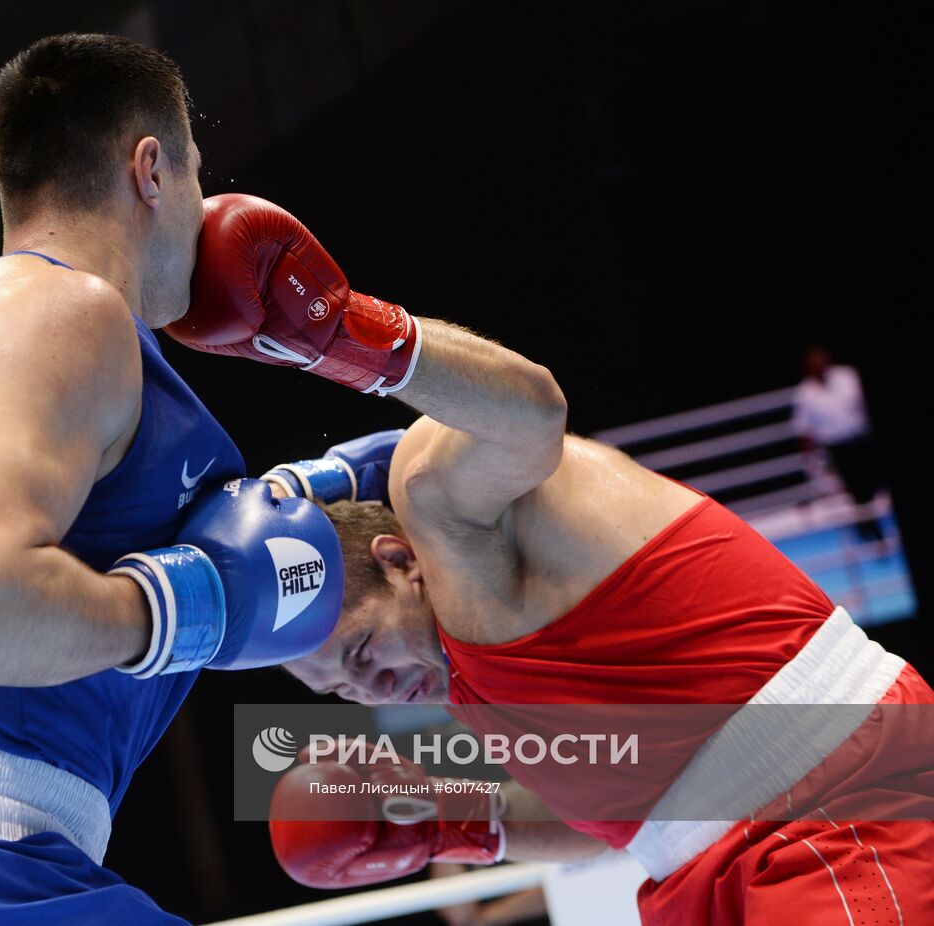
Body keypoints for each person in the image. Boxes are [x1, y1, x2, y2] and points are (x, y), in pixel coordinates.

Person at [169, 193, 934, 925]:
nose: (368, 684)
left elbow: (529, 411)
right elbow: (630, 822)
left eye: (360, 647)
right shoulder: (486, 694)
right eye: (340, 686)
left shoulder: (445, 511)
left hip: (836, 809)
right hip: (721, 862)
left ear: (401, 561)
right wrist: (450, 819)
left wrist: (339, 334)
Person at [0, 36, 343, 926]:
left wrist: (357, 382)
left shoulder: (81, 351)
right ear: (151, 170)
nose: (206, 211)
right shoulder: (52, 308)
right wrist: (180, 608)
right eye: (199, 173)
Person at [792, 344, 887, 543]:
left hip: (863, 440)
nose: (818, 368)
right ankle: (871, 531)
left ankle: (871, 528)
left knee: (871, 486)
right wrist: (811, 459)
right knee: (856, 491)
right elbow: (803, 429)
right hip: (837, 449)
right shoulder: (804, 394)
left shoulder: (848, 377)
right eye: (813, 365)